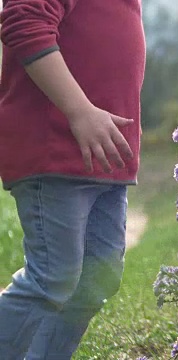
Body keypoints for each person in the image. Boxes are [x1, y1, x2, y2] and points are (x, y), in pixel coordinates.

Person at [0, 0, 145, 358]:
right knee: (52, 278)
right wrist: (78, 111)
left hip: (106, 156)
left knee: (97, 278)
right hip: (56, 148)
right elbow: (24, 20)